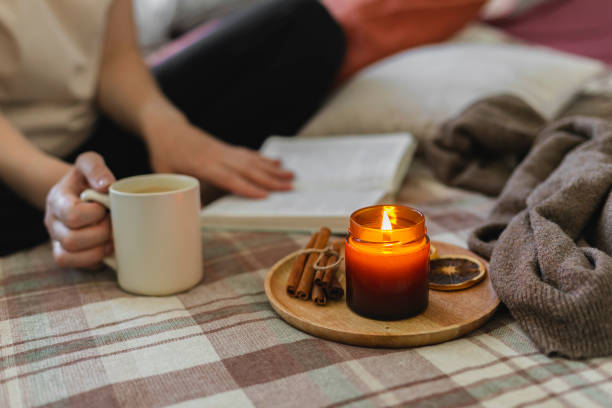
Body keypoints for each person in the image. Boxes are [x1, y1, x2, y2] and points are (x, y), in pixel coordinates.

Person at [0, 0, 345, 264]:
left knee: (303, 24)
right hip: (12, 167)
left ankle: (127, 196)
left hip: (92, 141)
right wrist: (56, 187)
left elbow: (115, 58)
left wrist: (165, 125)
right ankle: (88, 212)